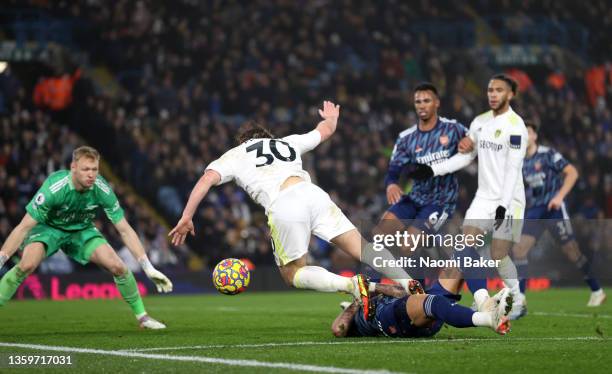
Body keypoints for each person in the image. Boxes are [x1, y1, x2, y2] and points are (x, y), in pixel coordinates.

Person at [169, 101, 417, 313]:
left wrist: (187, 216)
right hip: (313, 194)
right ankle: (409, 284)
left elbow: (206, 180)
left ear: (244, 141)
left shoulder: (235, 154)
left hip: (285, 203)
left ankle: (352, 286)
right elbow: (325, 131)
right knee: (363, 248)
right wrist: (331, 118)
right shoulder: (287, 143)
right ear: (268, 136)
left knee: (293, 274)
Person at [0, 146, 172, 329]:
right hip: (49, 228)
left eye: (94, 169)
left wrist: (148, 267)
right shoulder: (54, 188)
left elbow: (125, 230)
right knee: (26, 264)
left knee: (118, 266)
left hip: (81, 230)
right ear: (73, 167)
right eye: (85, 169)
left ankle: (143, 318)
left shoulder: (101, 188)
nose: (91, 175)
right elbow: (23, 227)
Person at [407, 74, 528, 313]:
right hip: (484, 197)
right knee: (464, 245)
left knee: (498, 255)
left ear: (510, 94)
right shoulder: (480, 122)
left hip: (509, 199)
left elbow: (513, 170)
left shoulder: (516, 128)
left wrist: (503, 206)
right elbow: (466, 156)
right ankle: (482, 297)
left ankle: (517, 298)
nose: (493, 94)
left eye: (499, 90)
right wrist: (432, 169)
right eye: (490, 90)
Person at [510, 122, 606, 317]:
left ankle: (597, 290)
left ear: (535, 136)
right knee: (519, 249)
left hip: (554, 209)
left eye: (528, 132)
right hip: (536, 210)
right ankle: (520, 299)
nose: (525, 136)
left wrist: (559, 196)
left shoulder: (548, 154)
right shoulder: (521, 161)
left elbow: (572, 172)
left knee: (572, 252)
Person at [376, 82, 468, 281]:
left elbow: (475, 139)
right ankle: (366, 294)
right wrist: (391, 183)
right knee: (379, 234)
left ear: (436, 103)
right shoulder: (406, 138)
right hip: (414, 198)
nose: (421, 105)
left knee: (408, 244)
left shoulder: (453, 129)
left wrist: (471, 141)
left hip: (440, 202)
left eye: (426, 100)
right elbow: (394, 169)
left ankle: (418, 295)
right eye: (418, 101)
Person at [331, 274, 513, 338]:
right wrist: (358, 298)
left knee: (464, 255)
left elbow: (403, 293)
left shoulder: (368, 296)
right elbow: (338, 329)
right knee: (433, 302)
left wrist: (368, 288)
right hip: (391, 318)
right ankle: (489, 319)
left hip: (412, 304)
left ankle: (485, 303)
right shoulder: (358, 317)